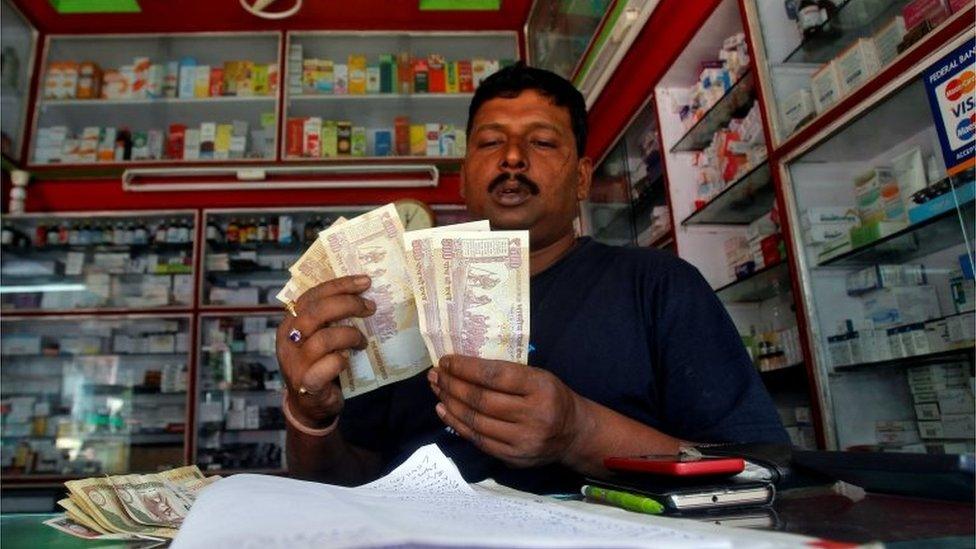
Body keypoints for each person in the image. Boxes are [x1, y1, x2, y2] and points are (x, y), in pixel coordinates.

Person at [276, 63, 789, 494]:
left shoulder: (659, 286)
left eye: (542, 142)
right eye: (491, 142)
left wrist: (580, 432)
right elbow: (343, 487)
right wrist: (309, 417)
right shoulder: (391, 304)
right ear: (463, 177)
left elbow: (761, 472)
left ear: (583, 177)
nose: (513, 158)